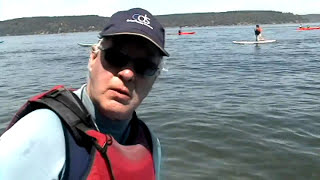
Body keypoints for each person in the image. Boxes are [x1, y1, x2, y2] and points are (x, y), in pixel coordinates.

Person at [0, 8, 169, 180]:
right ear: (93, 58)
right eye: (116, 58)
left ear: (155, 77)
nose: (127, 74)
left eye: (144, 66)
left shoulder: (150, 145)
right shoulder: (41, 131)